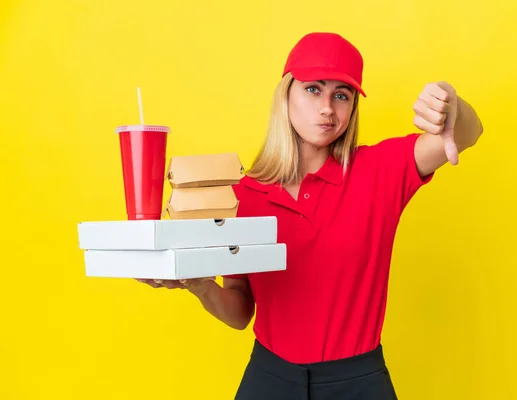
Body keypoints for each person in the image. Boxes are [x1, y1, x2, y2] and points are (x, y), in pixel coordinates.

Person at [138, 32, 484, 399]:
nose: (327, 108)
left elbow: (467, 134)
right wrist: (200, 285)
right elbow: (240, 314)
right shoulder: (244, 195)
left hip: (358, 382)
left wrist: (449, 103)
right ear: (285, 94)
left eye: (341, 95)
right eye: (313, 89)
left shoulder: (379, 170)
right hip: (270, 379)